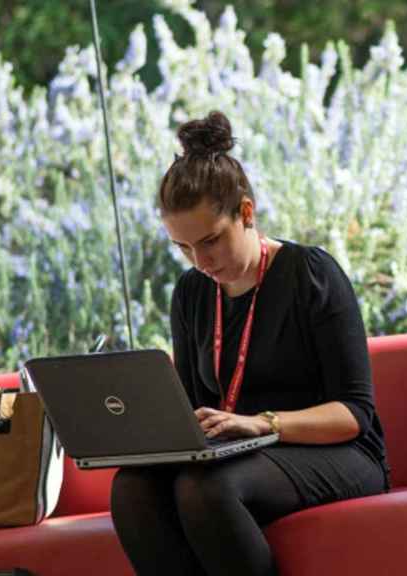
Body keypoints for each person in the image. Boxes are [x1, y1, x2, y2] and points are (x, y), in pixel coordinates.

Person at [110, 110, 390, 576]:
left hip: (337, 452)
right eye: (184, 248)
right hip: (237, 456)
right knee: (132, 488)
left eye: (211, 241)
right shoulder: (193, 292)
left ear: (246, 212)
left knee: (206, 490)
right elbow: (192, 410)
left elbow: (354, 415)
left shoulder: (311, 274)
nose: (200, 261)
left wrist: (260, 423)